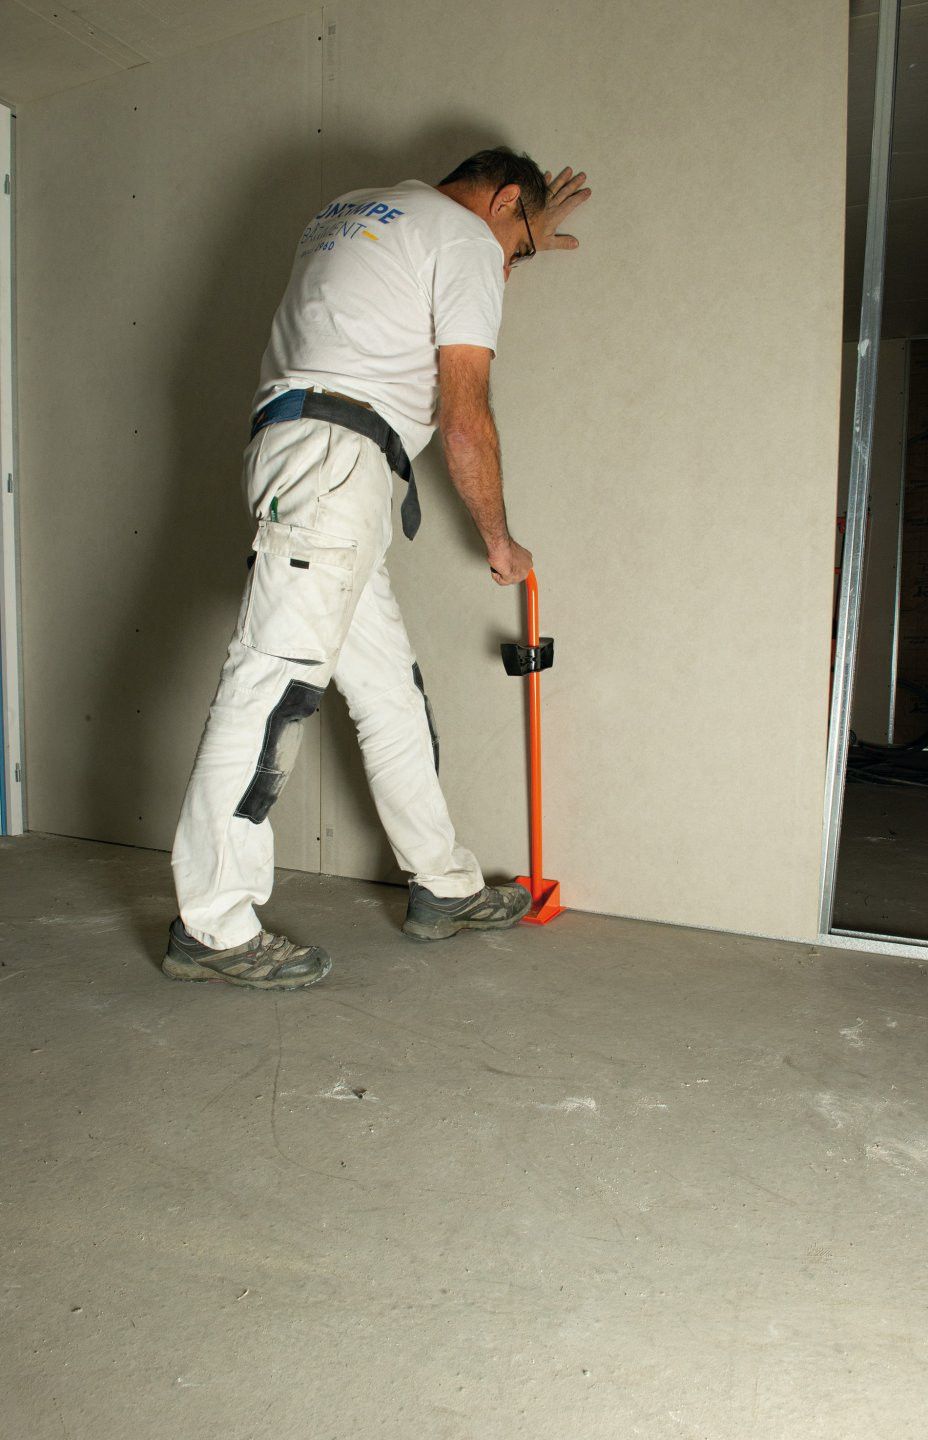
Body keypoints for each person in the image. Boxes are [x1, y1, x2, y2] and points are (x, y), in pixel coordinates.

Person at [163, 147, 591, 990]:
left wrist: (517, 242)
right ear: (505, 199)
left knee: (390, 694)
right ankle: (212, 922)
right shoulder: (465, 240)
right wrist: (499, 540)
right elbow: (464, 414)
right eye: (518, 248)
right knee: (272, 686)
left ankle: (445, 887)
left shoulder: (355, 209)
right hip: (335, 465)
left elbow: (398, 306)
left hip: (310, 455)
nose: (509, 266)